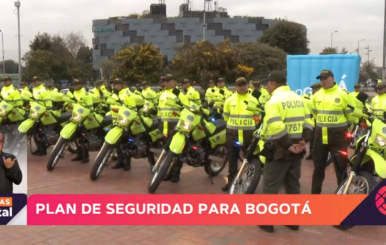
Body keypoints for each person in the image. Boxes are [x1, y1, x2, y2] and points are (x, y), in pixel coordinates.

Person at [257, 71, 313, 233]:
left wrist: (288, 146)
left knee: (270, 185)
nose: (266, 87)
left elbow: (276, 126)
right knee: (293, 185)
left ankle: (267, 222)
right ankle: (293, 221)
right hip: (298, 149)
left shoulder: (273, 101)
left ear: (273, 84)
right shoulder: (299, 99)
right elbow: (309, 122)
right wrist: (304, 141)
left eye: (267, 83)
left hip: (279, 149)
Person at [311, 70, 361, 194]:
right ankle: (314, 195)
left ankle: (343, 193)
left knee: (341, 167)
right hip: (320, 136)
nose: (323, 81)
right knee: (318, 167)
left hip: (338, 136)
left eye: (325, 78)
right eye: (321, 79)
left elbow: (351, 115)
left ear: (332, 78)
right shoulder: (317, 95)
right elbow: (314, 113)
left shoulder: (344, 94)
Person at [221, 77, 261, 191]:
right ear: (236, 86)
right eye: (240, 85)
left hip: (248, 134)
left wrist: (252, 123)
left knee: (250, 158)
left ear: (248, 85)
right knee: (232, 159)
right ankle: (231, 183)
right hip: (232, 134)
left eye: (244, 84)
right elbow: (226, 116)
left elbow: (258, 116)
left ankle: (249, 182)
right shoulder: (229, 100)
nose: (242, 87)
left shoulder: (253, 100)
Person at [158, 74, 188, 182]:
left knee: (176, 151)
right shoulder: (162, 94)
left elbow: (187, 106)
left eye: (167, 81)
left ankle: (175, 174)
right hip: (164, 125)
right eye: (164, 81)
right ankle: (167, 172)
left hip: (176, 126)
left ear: (174, 82)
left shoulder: (180, 94)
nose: (165, 83)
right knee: (167, 151)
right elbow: (160, 110)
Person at [110, 78, 136, 171]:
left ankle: (127, 163)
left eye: (116, 84)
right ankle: (120, 161)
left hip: (125, 123)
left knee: (125, 143)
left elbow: (132, 108)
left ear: (121, 85)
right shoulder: (114, 95)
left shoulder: (127, 94)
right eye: (113, 84)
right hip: (115, 122)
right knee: (117, 144)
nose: (114, 86)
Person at [70, 79, 94, 163]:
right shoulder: (75, 92)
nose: (74, 86)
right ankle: (79, 154)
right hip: (77, 117)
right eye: (73, 85)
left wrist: (88, 115)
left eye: (75, 85)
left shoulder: (85, 94)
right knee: (76, 137)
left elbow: (90, 107)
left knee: (83, 137)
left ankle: (85, 156)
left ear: (80, 85)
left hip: (84, 118)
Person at [30, 76, 53, 155]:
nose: (33, 82)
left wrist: (48, 109)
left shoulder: (44, 90)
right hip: (36, 112)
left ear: (40, 81)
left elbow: (48, 101)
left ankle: (43, 150)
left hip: (43, 113)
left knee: (41, 132)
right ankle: (39, 147)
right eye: (33, 81)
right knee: (35, 132)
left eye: (35, 81)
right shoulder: (33, 90)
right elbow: (32, 100)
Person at [303, 83, 321, 160]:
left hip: (319, 122)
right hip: (311, 122)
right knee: (311, 139)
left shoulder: (320, 98)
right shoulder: (309, 97)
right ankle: (311, 154)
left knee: (317, 140)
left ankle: (316, 155)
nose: (313, 90)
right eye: (313, 88)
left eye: (315, 88)